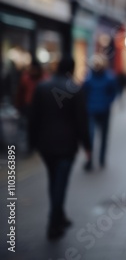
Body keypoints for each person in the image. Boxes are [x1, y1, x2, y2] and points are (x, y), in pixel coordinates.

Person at [28, 56, 91, 240]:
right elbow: (82, 121)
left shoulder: (42, 87)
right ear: (71, 69)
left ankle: (59, 216)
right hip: (66, 145)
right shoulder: (75, 88)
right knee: (60, 184)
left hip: (45, 145)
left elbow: (34, 117)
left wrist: (32, 143)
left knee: (53, 180)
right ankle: (54, 223)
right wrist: (87, 146)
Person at [82, 54, 119, 170]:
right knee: (102, 137)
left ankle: (91, 160)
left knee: (92, 136)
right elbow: (114, 93)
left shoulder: (89, 77)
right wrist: (107, 102)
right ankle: (100, 159)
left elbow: (83, 93)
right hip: (101, 110)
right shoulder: (109, 77)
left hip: (93, 110)